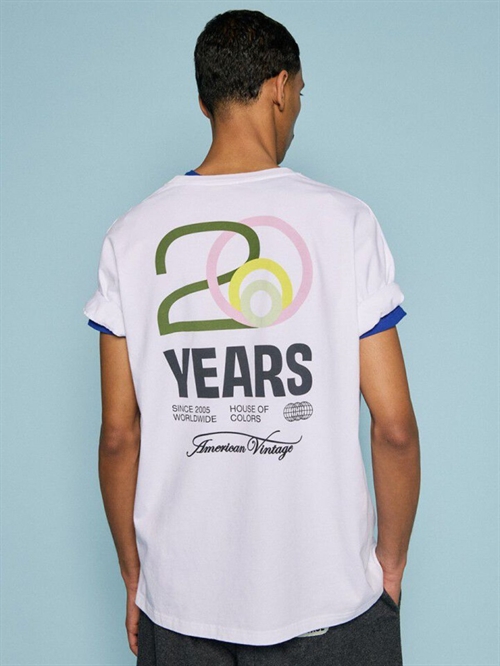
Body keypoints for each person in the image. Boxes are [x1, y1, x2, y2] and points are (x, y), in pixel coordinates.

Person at [83, 9, 420, 666]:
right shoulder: (345, 222)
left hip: (179, 610)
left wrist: (134, 576)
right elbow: (395, 427)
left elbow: (119, 435)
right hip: (332, 608)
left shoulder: (130, 236)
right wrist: (392, 565)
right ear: (280, 88)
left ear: (203, 101)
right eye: (301, 93)